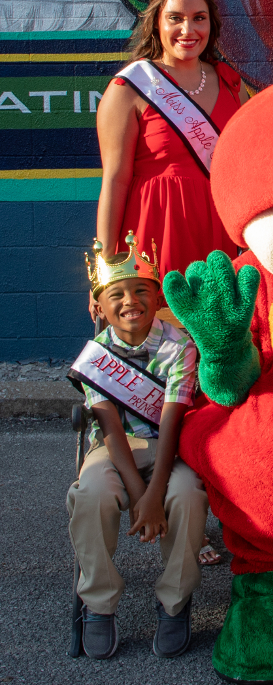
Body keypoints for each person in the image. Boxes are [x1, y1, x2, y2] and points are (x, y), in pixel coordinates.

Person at [95, 0, 248, 562]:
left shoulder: (230, 80)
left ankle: (222, 506)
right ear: (156, 22)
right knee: (168, 377)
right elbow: (114, 179)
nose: (189, 29)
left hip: (218, 240)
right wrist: (109, 270)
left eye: (199, 18)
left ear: (213, 23)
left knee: (221, 370)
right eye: (176, 17)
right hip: (153, 245)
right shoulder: (130, 88)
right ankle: (175, 510)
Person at [67, 234, 208, 660]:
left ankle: (174, 601)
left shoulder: (179, 346)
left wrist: (155, 492)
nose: (130, 301)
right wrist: (141, 498)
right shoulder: (95, 355)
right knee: (90, 493)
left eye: (140, 290)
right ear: (101, 306)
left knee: (186, 495)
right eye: (117, 294)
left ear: (157, 294)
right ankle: (98, 603)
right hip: (114, 450)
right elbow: (109, 426)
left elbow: (171, 422)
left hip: (168, 448)